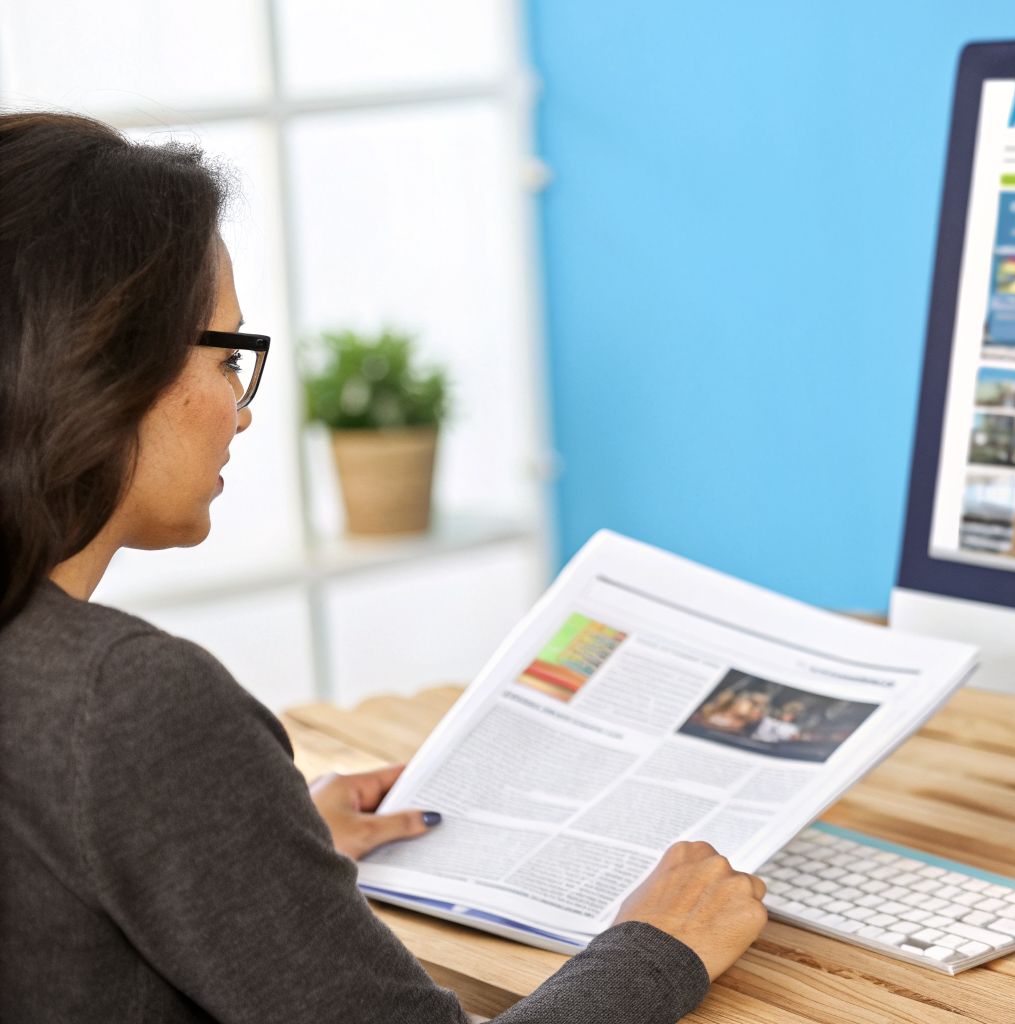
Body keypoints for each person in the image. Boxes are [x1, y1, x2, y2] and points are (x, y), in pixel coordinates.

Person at [0, 112, 766, 1023]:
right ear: (106, 362)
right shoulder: (127, 703)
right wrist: (659, 944)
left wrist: (256, 849)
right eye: (228, 354)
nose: (241, 413)